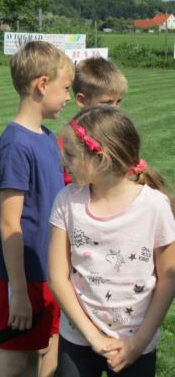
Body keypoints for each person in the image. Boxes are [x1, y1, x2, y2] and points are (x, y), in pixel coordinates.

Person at [49, 106, 175, 376]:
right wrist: (93, 337)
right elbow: (57, 276)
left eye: (70, 154)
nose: (62, 162)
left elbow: (168, 277)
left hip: (136, 344)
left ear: (101, 159)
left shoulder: (154, 206)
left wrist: (137, 344)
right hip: (79, 339)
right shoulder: (67, 201)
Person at [0, 41, 74, 377]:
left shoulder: (47, 137)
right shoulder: (16, 145)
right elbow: (9, 224)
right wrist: (19, 292)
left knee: (42, 348)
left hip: (47, 269)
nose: (68, 97)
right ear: (42, 84)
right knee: (13, 358)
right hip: (23, 276)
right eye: (66, 88)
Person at [60, 57, 129, 184]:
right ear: (82, 100)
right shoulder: (70, 140)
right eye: (107, 103)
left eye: (118, 101)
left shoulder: (117, 132)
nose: (115, 109)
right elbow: (71, 183)